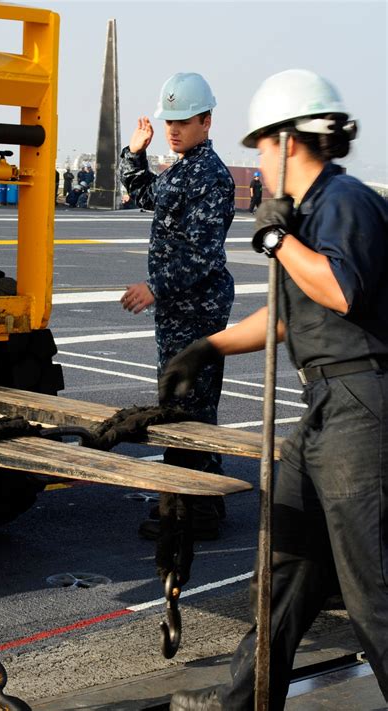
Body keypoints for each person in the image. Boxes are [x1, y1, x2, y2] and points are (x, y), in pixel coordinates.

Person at [160, 69, 388, 709]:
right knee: (283, 580)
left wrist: (276, 238)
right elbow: (287, 314)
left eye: (262, 145)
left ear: (292, 140)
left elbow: (339, 289)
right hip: (323, 412)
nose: (257, 160)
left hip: (363, 407)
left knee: (373, 595)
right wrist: (207, 347)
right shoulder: (306, 215)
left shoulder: (345, 203)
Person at [119, 72, 235, 539]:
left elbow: (202, 253)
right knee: (183, 401)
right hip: (176, 312)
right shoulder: (183, 169)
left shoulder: (213, 176)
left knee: (191, 406)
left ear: (207, 121)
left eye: (184, 121)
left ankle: (194, 511)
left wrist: (155, 286)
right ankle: (194, 499)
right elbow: (146, 195)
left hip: (198, 310)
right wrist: (135, 153)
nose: (174, 129)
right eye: (170, 121)